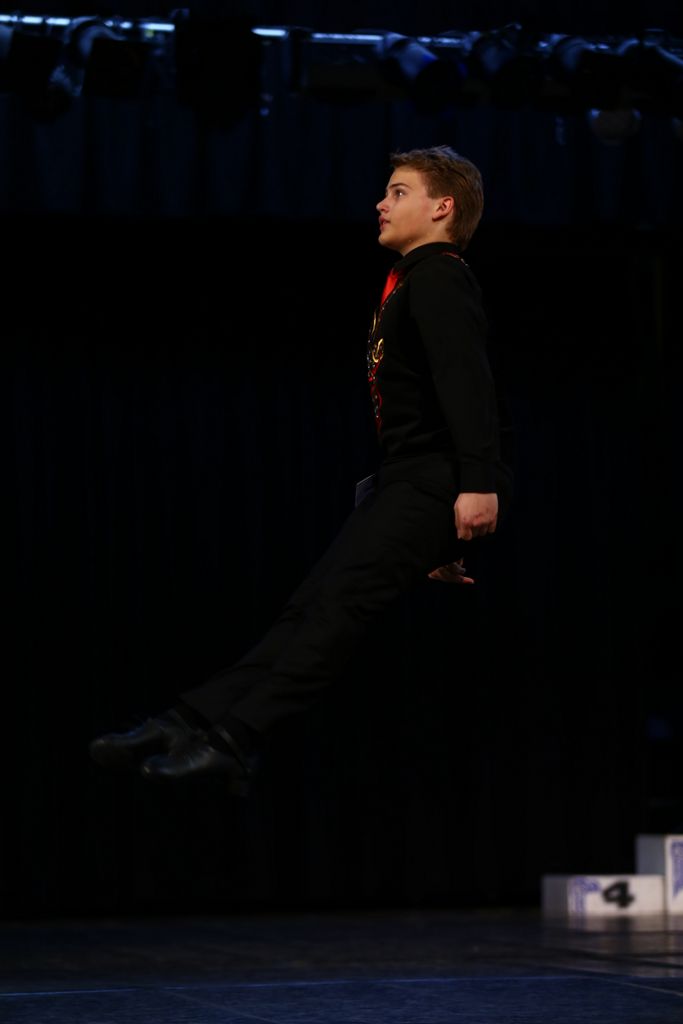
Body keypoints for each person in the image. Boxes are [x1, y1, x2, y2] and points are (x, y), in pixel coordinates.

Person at [89, 145, 514, 797]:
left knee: (335, 610)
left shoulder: (439, 277)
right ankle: (190, 721)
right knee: (312, 605)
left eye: (398, 192)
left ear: (442, 207)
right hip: (410, 480)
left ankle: (236, 740)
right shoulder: (412, 279)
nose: (381, 203)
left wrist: (474, 485)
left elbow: (468, 383)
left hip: (432, 479)